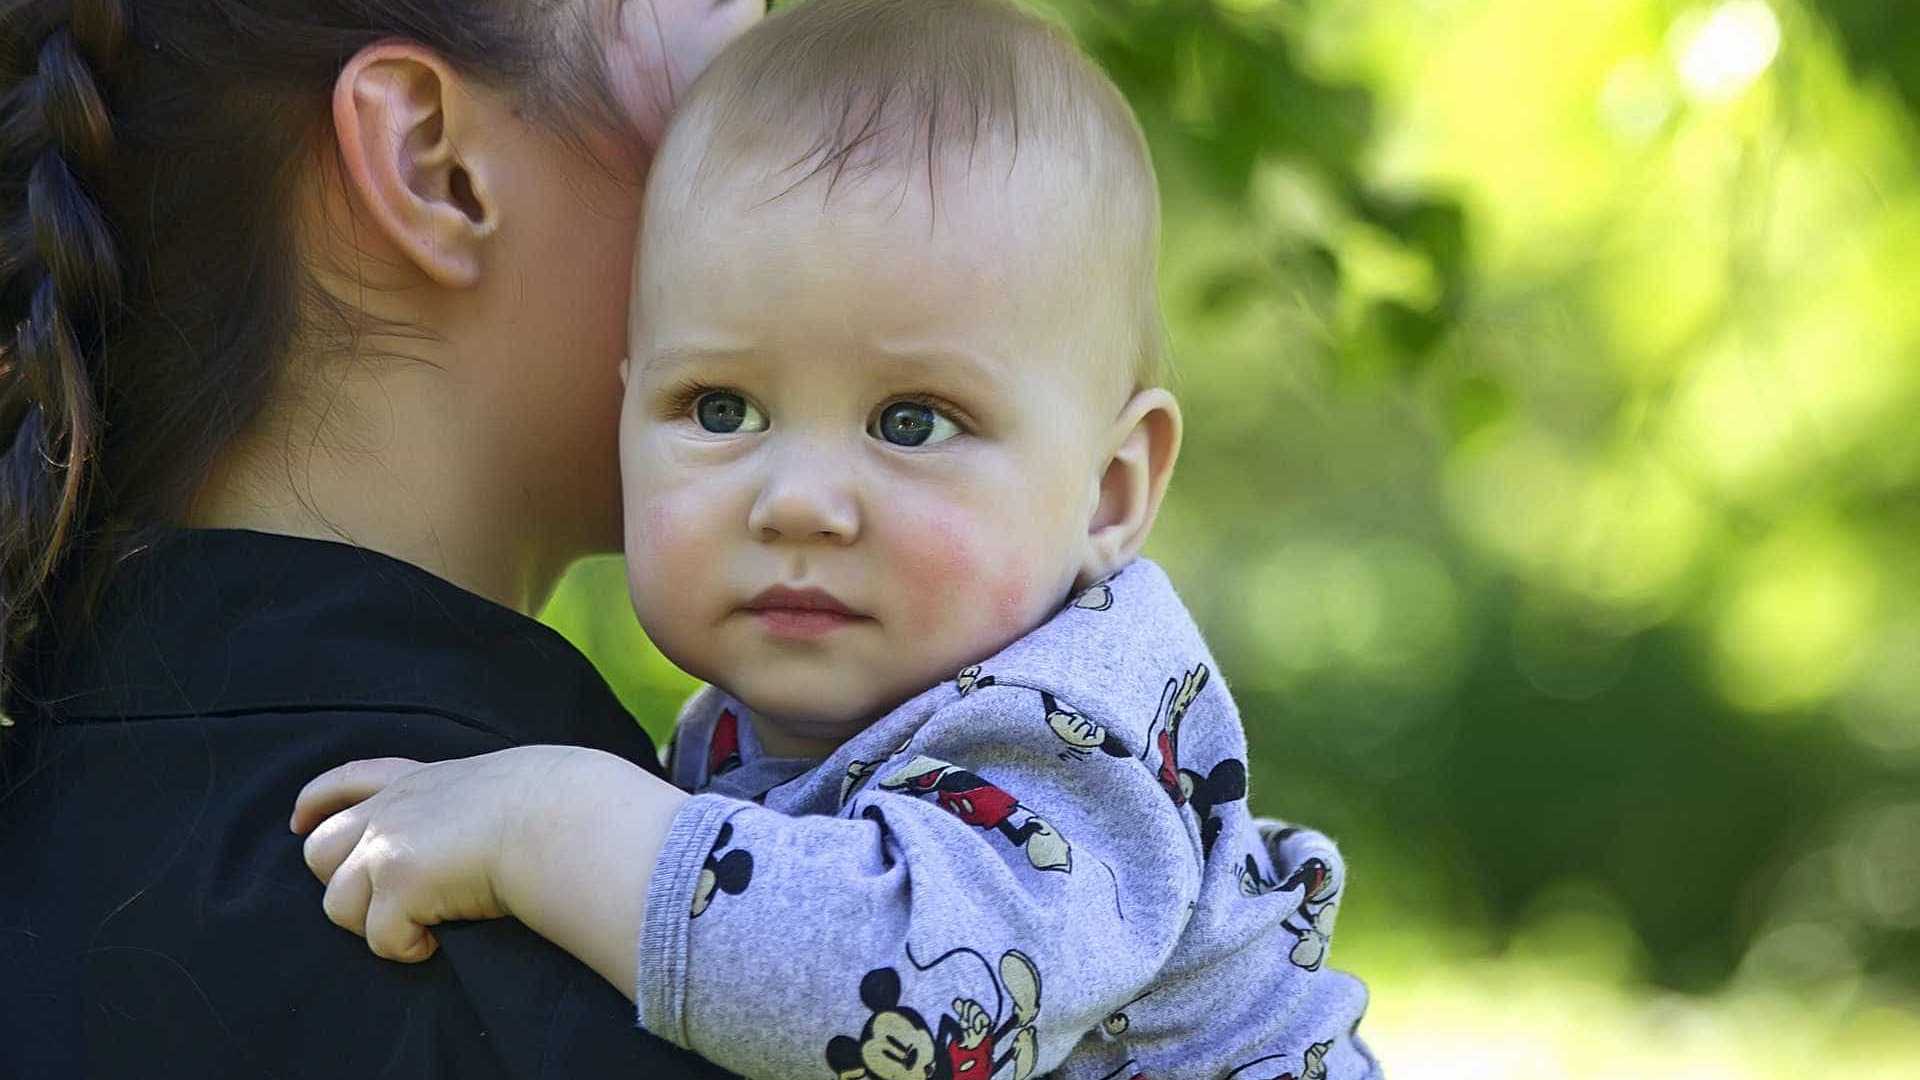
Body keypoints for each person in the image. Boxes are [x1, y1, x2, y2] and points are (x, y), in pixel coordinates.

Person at [293, 1, 1382, 1077]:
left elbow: (906, 992)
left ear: (1109, 489)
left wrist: (542, 824)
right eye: (722, 409)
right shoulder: (750, 726)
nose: (799, 502)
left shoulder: (1073, 731)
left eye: (912, 422)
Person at [0, 1, 761, 1076]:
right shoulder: (691, 975)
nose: (811, 161)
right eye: (739, 79)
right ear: (432, 166)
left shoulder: (50, 840)